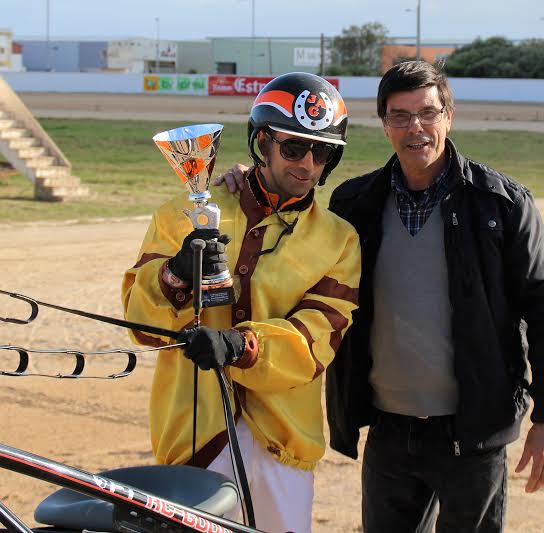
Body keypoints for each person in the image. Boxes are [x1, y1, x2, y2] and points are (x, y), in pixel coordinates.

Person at [217, 61, 544, 533]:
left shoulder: (502, 204)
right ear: (384, 123)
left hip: (473, 435)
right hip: (389, 432)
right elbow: (297, 218)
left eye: (428, 113)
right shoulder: (354, 204)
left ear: (449, 115)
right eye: (400, 116)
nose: (416, 128)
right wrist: (253, 177)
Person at [122, 72, 361, 533]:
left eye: (322, 151)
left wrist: (242, 346)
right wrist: (173, 273)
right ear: (262, 143)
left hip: (283, 443)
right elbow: (141, 324)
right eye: (293, 148)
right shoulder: (183, 214)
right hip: (194, 435)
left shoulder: (340, 240)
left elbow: (320, 335)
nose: (307, 165)